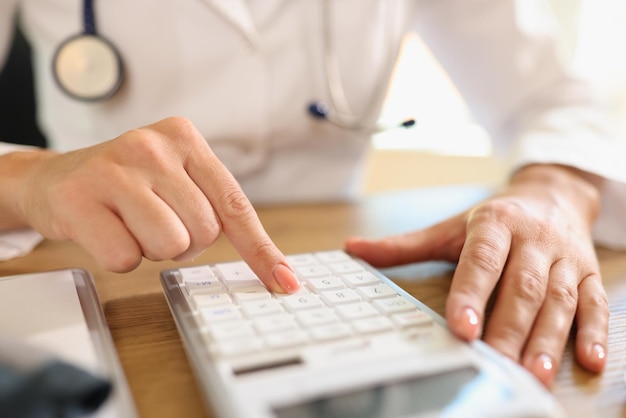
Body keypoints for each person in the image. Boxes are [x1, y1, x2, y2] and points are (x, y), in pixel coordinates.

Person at [1, 0, 625, 389]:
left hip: (337, 264)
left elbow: (551, 97)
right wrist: (29, 180)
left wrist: (556, 189)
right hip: (107, 278)